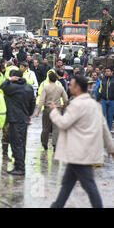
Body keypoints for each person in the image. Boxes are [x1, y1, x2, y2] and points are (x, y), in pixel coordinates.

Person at [49, 75, 114, 208]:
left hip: (79, 154)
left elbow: (63, 123)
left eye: (71, 85)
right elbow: (104, 128)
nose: (69, 87)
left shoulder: (76, 105)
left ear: (77, 88)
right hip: (82, 153)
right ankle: (57, 205)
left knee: (89, 186)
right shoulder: (95, 105)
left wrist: (54, 112)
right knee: (67, 184)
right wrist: (111, 148)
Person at [0, 70, 35, 175]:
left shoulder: (12, 88)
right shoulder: (28, 87)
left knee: (16, 144)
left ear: (14, 77)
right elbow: (33, 102)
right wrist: (28, 113)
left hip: (14, 119)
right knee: (22, 143)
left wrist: (8, 80)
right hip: (23, 118)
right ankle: (20, 165)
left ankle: (20, 167)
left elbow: (2, 88)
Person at [34, 71, 68, 152]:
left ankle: (44, 144)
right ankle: (55, 144)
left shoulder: (46, 88)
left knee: (45, 128)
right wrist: (64, 106)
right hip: (57, 109)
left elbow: (41, 100)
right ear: (56, 79)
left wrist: (37, 111)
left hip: (47, 109)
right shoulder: (60, 88)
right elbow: (66, 99)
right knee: (56, 128)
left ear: (49, 79)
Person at [97, 67, 114, 131]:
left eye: (108, 71)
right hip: (103, 100)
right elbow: (100, 89)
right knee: (102, 116)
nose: (107, 72)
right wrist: (98, 99)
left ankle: (108, 130)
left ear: (112, 72)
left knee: (110, 117)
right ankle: (101, 130)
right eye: (106, 71)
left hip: (112, 101)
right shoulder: (103, 79)